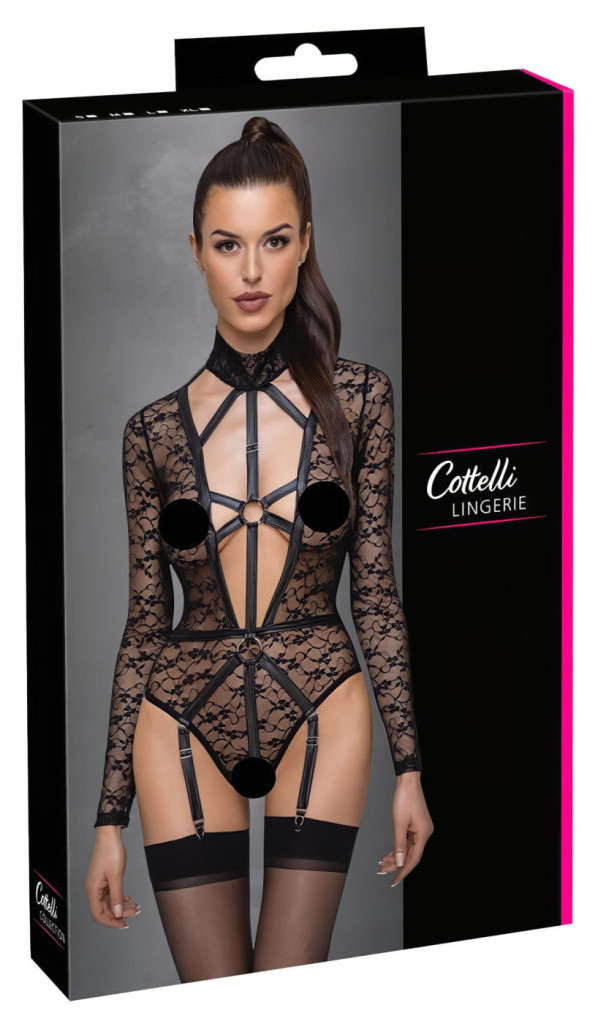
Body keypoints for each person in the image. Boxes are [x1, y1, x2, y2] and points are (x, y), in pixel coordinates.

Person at [85, 115, 434, 982]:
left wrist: (411, 769)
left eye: (274, 241)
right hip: (178, 719)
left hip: (323, 706)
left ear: (305, 243)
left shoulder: (362, 401)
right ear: (195, 250)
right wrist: (106, 820)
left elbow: (376, 593)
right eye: (227, 244)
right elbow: (144, 626)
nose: (251, 272)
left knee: (285, 996)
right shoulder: (151, 434)